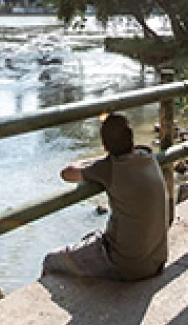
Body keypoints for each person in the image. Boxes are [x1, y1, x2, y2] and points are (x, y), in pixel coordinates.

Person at [41, 113, 168, 281]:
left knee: (51, 260)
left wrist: (98, 160)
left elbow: (67, 173)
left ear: (105, 145)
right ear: (131, 138)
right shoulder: (148, 157)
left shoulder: (109, 169)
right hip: (156, 261)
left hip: (127, 266)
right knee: (91, 238)